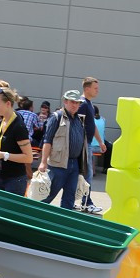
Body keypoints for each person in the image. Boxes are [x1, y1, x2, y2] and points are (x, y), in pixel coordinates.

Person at [39, 91, 89, 211]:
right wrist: (43, 162)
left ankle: (63, 224)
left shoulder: (79, 120)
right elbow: (47, 140)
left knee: (69, 199)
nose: (75, 105)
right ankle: (34, 218)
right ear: (65, 101)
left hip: (74, 165)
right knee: (47, 195)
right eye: (72, 102)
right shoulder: (56, 117)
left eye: (77, 103)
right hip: (58, 164)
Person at [0, 86, 32, 195]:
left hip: (15, 180)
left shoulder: (18, 126)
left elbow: (28, 158)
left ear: (8, 104)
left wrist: (4, 155)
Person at [78, 77, 105, 214]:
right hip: (83, 144)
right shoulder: (83, 104)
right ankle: (86, 202)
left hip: (87, 143)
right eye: (95, 88)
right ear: (87, 88)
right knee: (86, 174)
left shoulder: (89, 104)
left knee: (85, 174)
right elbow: (78, 124)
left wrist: (100, 141)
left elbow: (91, 125)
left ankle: (84, 201)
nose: (97, 90)